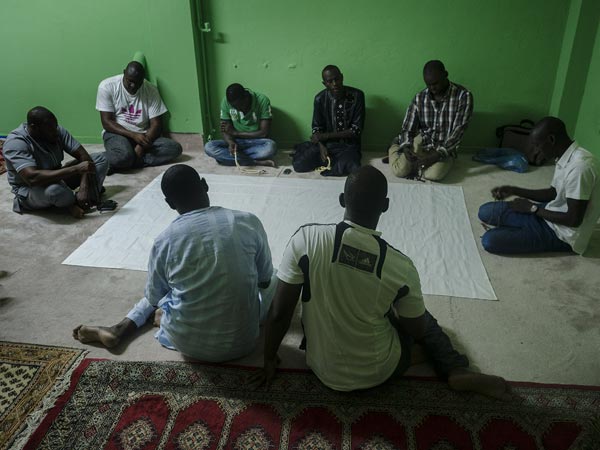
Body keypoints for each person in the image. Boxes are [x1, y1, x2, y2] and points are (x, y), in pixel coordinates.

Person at [251, 166, 509, 399]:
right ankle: (454, 368)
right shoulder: (401, 267)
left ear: (342, 200)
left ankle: (436, 361)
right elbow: (416, 331)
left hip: (321, 367)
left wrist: (269, 358)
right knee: (423, 319)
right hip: (379, 371)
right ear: (385, 206)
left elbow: (279, 313)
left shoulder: (306, 239)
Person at [73, 164, 275, 362]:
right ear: (204, 185)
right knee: (273, 275)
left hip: (187, 342)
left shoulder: (165, 240)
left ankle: (123, 327)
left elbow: (153, 297)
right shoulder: (248, 221)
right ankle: (169, 315)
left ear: (169, 203)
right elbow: (264, 281)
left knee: (169, 289)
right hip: (244, 343)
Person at [479, 117, 600, 255]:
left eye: (537, 145)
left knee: (489, 241)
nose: (536, 151)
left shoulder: (580, 168)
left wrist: (532, 208)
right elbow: (552, 193)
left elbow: (574, 220)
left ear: (551, 140)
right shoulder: (565, 156)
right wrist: (514, 190)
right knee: (485, 211)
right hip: (549, 213)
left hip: (562, 235)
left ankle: (519, 231)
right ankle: (519, 229)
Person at [3, 106, 108, 218]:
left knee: (99, 159)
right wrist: (76, 169)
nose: (56, 132)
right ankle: (71, 202)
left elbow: (84, 156)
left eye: (55, 126)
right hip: (31, 188)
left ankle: (80, 199)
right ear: (34, 128)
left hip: (57, 176)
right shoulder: (16, 143)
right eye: (50, 130)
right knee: (55, 191)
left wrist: (84, 186)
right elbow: (32, 178)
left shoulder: (56, 131)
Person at [386, 60, 473, 181]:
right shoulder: (419, 97)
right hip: (423, 141)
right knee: (400, 171)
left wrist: (435, 156)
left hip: (444, 147)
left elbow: (458, 133)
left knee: (433, 175)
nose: (432, 88)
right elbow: (407, 128)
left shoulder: (463, 96)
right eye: (428, 84)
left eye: (435, 83)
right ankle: (395, 145)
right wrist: (406, 147)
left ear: (445, 75)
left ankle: (425, 160)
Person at [96, 61, 182, 173]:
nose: (133, 86)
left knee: (174, 148)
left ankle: (123, 162)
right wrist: (133, 135)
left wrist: (141, 146)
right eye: (130, 81)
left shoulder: (150, 89)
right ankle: (97, 160)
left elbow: (156, 124)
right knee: (124, 155)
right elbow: (106, 122)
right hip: (117, 134)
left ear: (143, 79)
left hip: (143, 136)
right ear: (124, 73)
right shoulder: (107, 86)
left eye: (138, 83)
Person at [292, 65, 365, 177]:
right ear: (324, 83)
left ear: (342, 77)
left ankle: (331, 163)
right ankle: (320, 156)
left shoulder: (357, 96)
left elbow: (356, 131)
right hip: (327, 146)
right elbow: (317, 129)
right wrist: (321, 146)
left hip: (348, 147)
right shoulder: (320, 99)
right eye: (330, 81)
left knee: (353, 166)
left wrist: (324, 136)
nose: (334, 84)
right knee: (299, 165)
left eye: (337, 79)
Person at [204, 83, 276, 167]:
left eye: (239, 105)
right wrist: (230, 142)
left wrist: (236, 133)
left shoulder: (262, 100)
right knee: (209, 147)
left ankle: (230, 159)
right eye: (234, 106)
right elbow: (225, 129)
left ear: (246, 98)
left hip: (256, 141)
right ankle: (254, 162)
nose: (237, 109)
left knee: (271, 147)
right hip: (236, 142)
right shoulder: (225, 102)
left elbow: (264, 133)